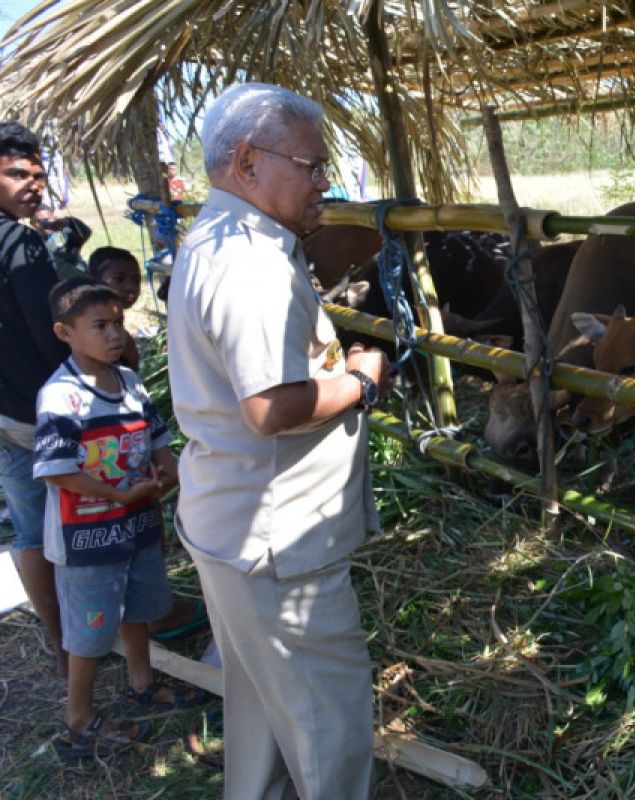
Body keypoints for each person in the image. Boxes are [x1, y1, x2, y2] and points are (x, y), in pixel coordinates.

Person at [168, 82, 389, 799]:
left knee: (262, 704)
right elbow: (267, 406)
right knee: (330, 723)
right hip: (278, 543)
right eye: (311, 164)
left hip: (231, 524)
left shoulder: (216, 237)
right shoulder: (251, 262)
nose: (325, 181)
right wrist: (361, 381)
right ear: (246, 160)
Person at [34, 277, 207, 758]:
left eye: (119, 323)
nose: (116, 335)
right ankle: (78, 719)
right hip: (86, 541)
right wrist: (120, 492)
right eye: (100, 326)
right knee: (90, 632)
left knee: (136, 610)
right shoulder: (61, 397)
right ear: (64, 332)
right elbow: (58, 473)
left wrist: (170, 477)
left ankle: (142, 682)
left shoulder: (129, 383)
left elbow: (159, 446)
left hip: (136, 527)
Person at [87, 246, 211, 642]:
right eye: (117, 280)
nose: (128, 288)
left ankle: (149, 608)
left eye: (133, 280)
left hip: (135, 451)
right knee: (130, 536)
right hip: (116, 461)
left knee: (146, 530)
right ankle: (147, 613)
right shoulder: (103, 347)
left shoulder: (120, 337)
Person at [0, 120, 69, 677]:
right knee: (80, 523)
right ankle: (106, 626)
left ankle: (62, 643)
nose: (33, 185)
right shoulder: (21, 243)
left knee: (28, 529)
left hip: (4, 412)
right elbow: (49, 334)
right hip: (38, 411)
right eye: (18, 173)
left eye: (39, 175)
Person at [33, 204, 91, 280]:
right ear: (33, 223)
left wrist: (69, 221)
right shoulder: (31, 243)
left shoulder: (66, 234)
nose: (44, 224)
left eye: (46, 220)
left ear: (54, 218)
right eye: (39, 222)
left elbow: (85, 232)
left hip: (79, 281)